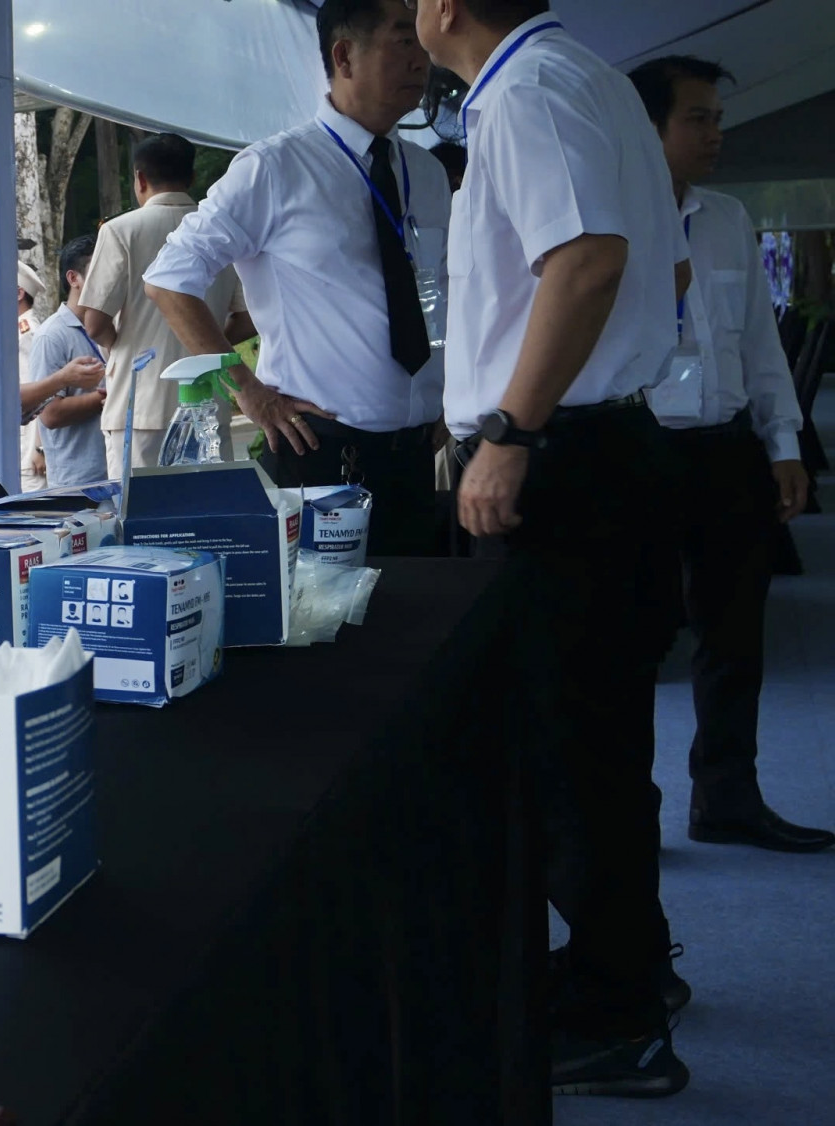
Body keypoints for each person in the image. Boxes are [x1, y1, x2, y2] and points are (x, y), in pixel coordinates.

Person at [417, 0, 689, 1096]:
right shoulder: (590, 78)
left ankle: (619, 1022)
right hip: (606, 444)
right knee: (601, 739)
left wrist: (511, 434)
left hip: (562, 461)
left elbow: (584, 263)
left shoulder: (527, 89)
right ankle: (628, 967)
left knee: (565, 745)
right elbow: (659, 270)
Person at [145, 0, 451, 556]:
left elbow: (444, 293)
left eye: (421, 45)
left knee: (418, 605)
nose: (421, 60)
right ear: (344, 56)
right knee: (328, 609)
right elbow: (169, 280)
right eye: (404, 40)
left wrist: (453, 392)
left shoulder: (426, 173)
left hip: (416, 455)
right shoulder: (275, 167)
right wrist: (249, 391)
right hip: (321, 454)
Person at [629, 56, 827, 852]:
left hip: (726, 449)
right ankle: (627, 818)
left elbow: (761, 348)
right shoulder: (611, 221)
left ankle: (727, 798)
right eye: (697, 119)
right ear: (649, 129)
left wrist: (783, 444)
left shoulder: (727, 217)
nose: (716, 134)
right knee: (635, 642)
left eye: (718, 119)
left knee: (734, 636)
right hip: (639, 451)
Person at [78, 133, 250, 468]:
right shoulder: (220, 230)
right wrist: (205, 344)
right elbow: (247, 317)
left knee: (139, 501)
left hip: (138, 404)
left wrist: (122, 346)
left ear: (140, 178)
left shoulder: (120, 230)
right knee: (208, 498)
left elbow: (95, 323)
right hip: (207, 402)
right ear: (192, 177)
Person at [32, 235, 112, 487]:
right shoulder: (51, 335)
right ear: (73, 278)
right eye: (99, 273)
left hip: (116, 471)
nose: (109, 280)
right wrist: (110, 396)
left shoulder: (113, 325)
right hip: (78, 485)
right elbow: (50, 414)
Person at [17, 261, 49, 491]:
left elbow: (41, 393)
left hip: (29, 453)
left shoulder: (27, 335)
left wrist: (39, 448)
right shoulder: (19, 332)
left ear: (19, 293)